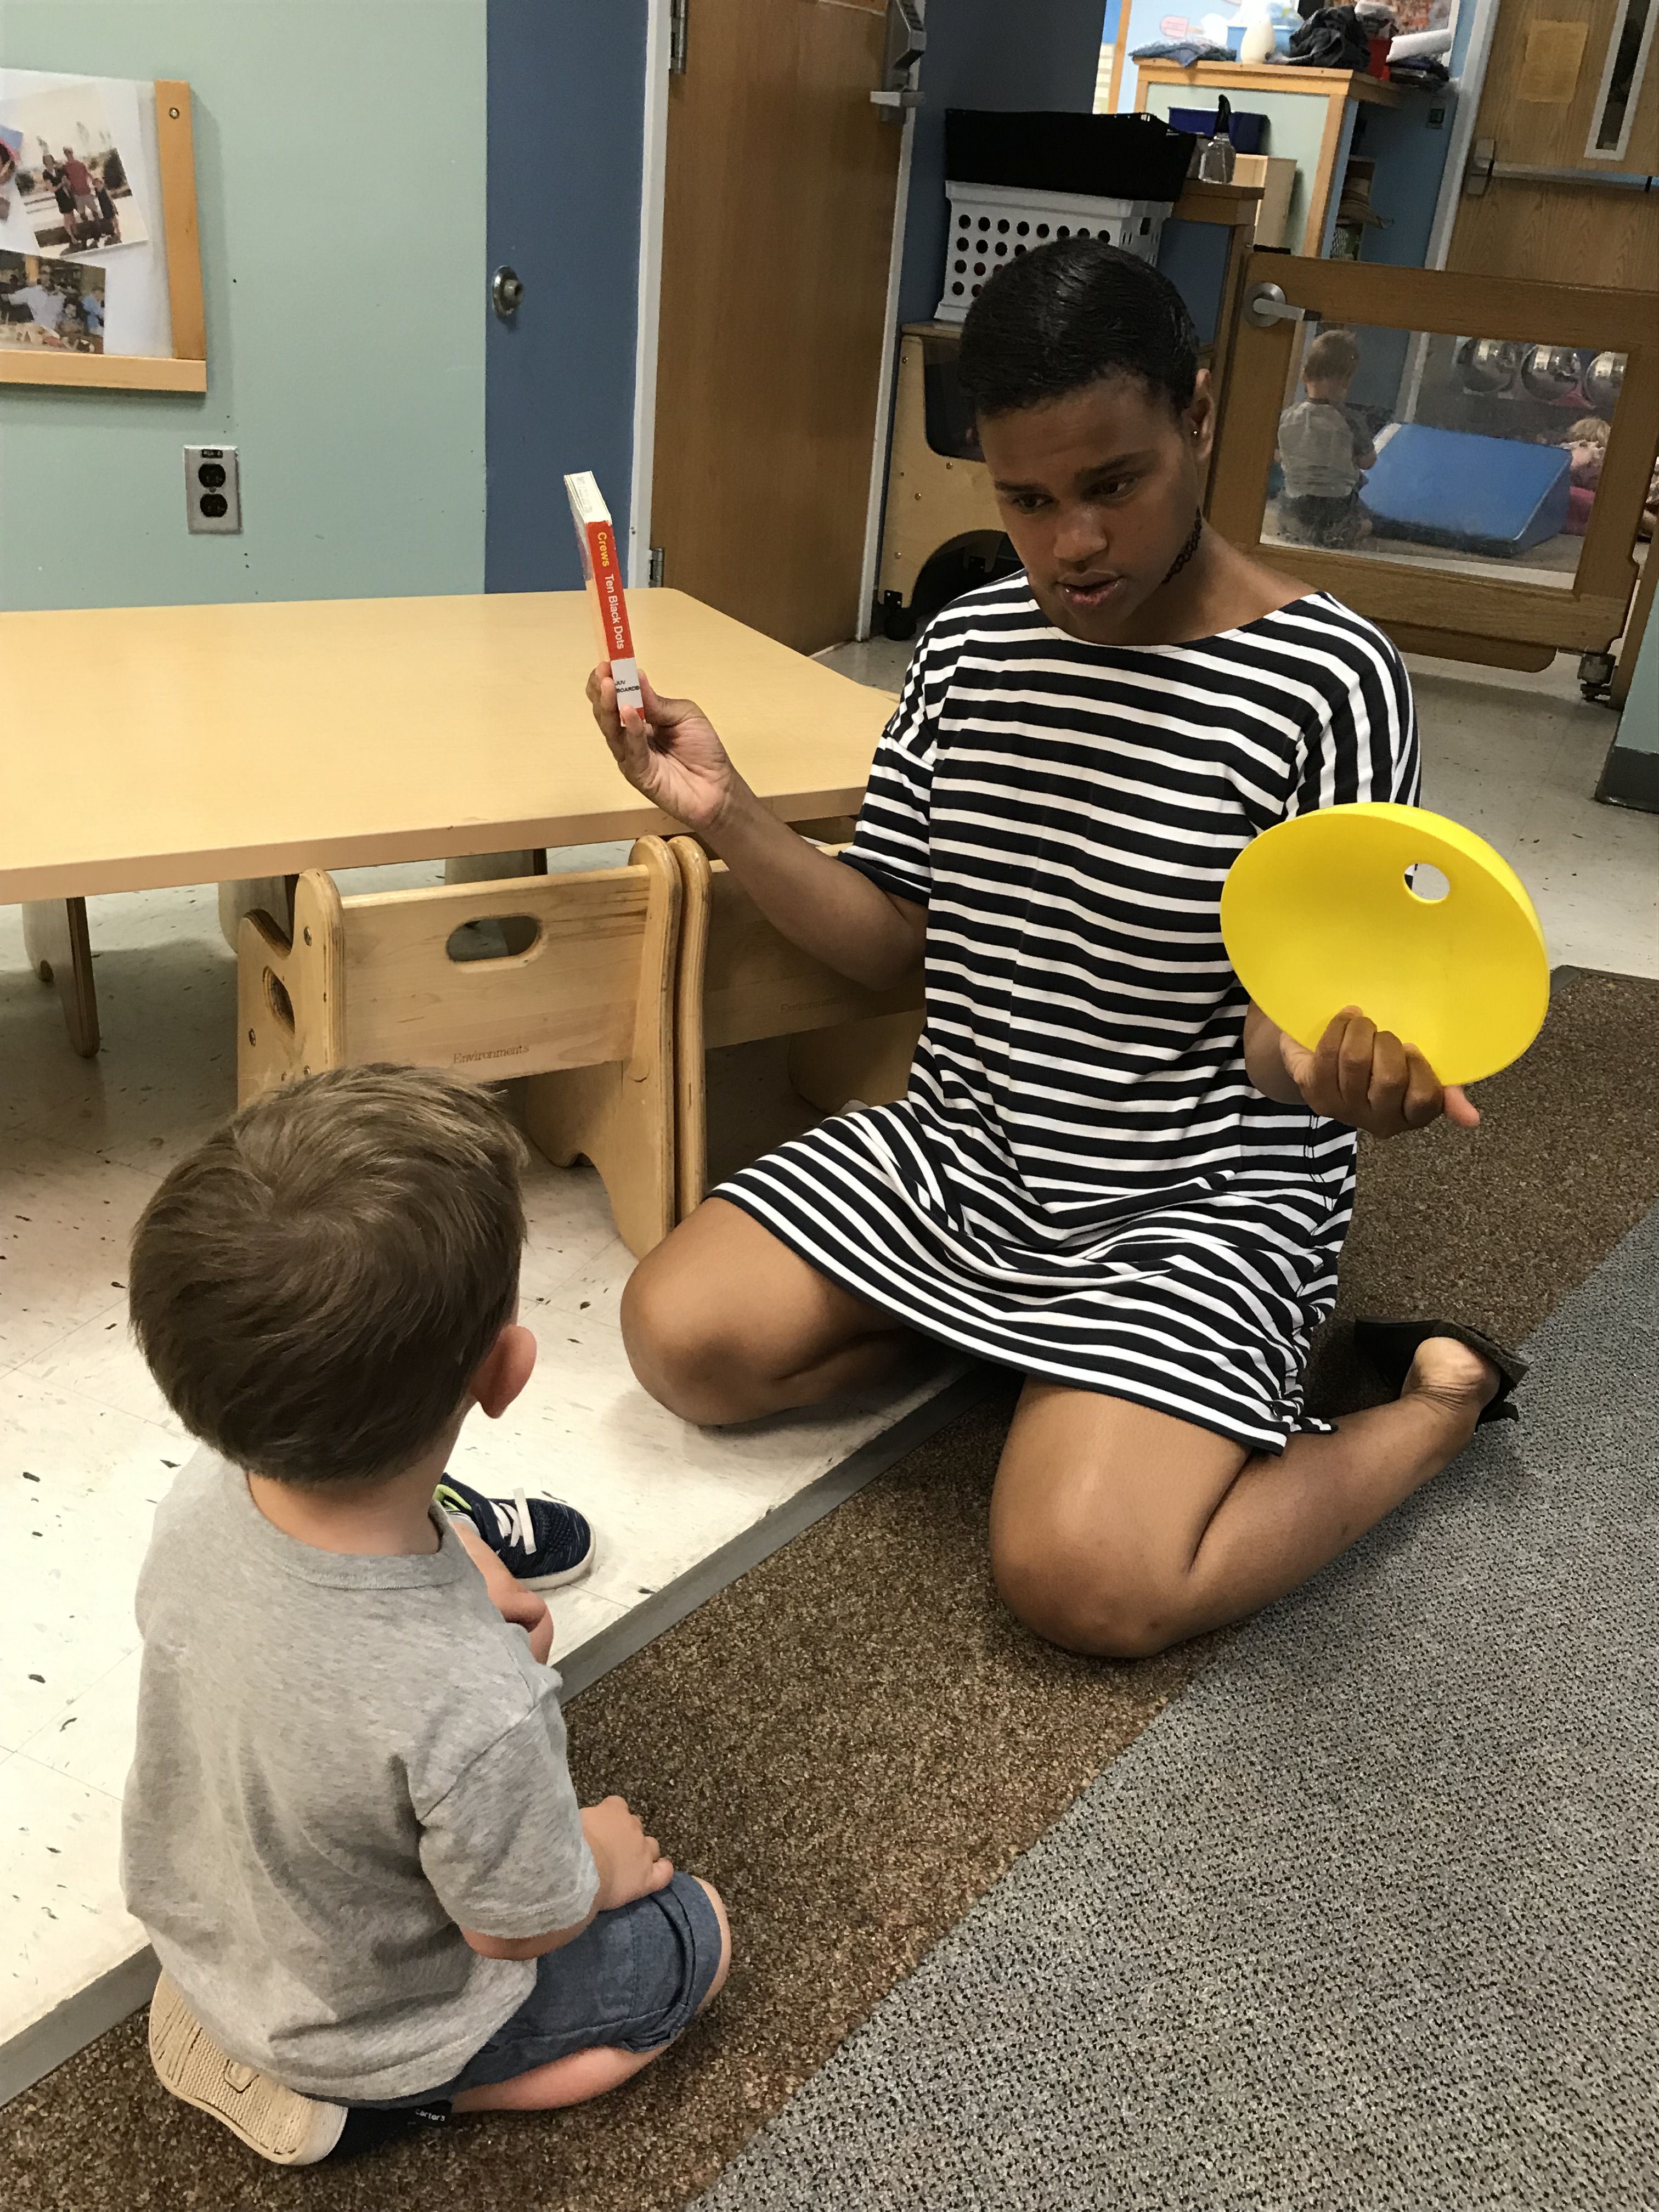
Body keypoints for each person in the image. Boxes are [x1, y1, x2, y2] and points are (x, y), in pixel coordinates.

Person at [588, 238, 1522, 1664]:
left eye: (1113, 485)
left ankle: (1438, 1410)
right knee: (681, 1340)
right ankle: (1024, 1346)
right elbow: (889, 941)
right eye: (1026, 500)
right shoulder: (965, 648)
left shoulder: (1325, 676)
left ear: (1198, 419)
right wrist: (725, 816)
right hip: (970, 1146)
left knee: (1086, 1579)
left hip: (1199, 1190)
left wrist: (1338, 1079)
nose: (1072, 542)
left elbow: (1287, 1032)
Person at [121, 1065, 731, 2166]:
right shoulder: (475, 1704)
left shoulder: (201, 1495)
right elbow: (516, 1924)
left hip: (212, 1937)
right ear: (506, 1371)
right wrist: (592, 1864)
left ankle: (244, 2025)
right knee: (698, 1940)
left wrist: (462, 1583)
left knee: (509, 1641)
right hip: (366, 2025)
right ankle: (381, 2104)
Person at [1276, 325, 1376, 549]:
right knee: (1368, 520)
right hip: (1336, 510)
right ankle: (1338, 533)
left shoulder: (1287, 417)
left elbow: (1279, 455)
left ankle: (1296, 529)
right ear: (1347, 382)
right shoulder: (1350, 420)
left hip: (1296, 507)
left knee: (1287, 495)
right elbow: (1368, 462)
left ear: (1304, 375)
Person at [60, 145, 100, 238]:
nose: (69, 154)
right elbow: (65, 180)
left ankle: (98, 231)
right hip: (77, 194)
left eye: (70, 152)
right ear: (65, 154)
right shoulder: (65, 167)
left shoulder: (80, 165)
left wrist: (95, 182)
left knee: (95, 212)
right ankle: (90, 232)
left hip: (86, 191)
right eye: (67, 153)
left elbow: (88, 174)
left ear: (72, 153)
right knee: (82, 215)